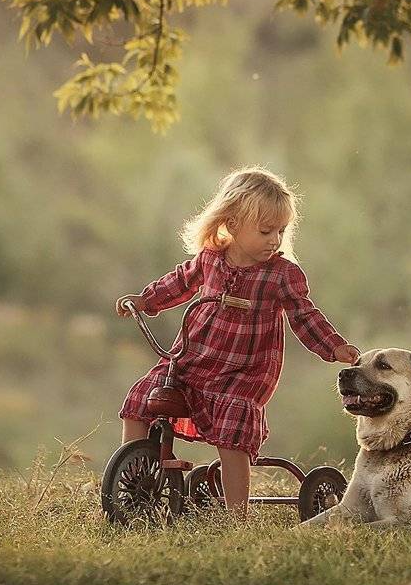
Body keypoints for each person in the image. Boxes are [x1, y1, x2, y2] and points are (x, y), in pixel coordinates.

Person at [115, 166, 359, 515]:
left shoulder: (281, 274)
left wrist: (333, 345)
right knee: (141, 397)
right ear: (231, 223)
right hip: (193, 358)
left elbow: (304, 315)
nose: (275, 239)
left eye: (281, 231)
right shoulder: (211, 258)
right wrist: (145, 300)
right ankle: (134, 481)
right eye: (265, 231)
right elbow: (179, 282)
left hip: (245, 371)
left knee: (232, 425)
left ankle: (237, 515)